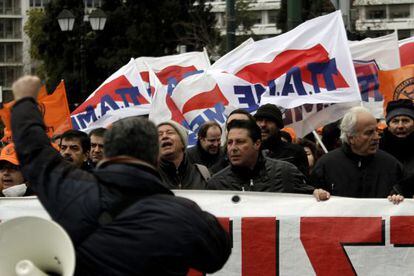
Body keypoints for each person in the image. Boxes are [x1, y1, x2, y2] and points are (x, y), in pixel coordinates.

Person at [10, 76, 231, 275]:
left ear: (107, 153)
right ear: (155, 157)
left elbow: (35, 152)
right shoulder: (185, 214)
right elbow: (215, 258)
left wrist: (24, 103)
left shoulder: (75, 190)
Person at [207, 119, 327, 199]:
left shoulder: (286, 173)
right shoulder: (217, 184)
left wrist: (316, 194)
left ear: (257, 144)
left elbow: (308, 201)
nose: (233, 148)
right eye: (229, 143)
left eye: (240, 142)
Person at [310, 106, 404, 203]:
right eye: (369, 133)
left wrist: (398, 198)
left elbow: (404, 200)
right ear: (351, 137)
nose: (376, 137)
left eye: (377, 131)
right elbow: (309, 202)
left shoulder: (392, 165)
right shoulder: (326, 165)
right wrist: (316, 193)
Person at [254, 104, 310, 178]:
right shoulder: (250, 151)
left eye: (269, 121)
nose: (263, 124)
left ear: (278, 126)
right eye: (260, 120)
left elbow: (303, 183)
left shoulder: (295, 152)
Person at [158, 120, 210, 189]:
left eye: (170, 133)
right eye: (159, 134)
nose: (164, 136)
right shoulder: (148, 174)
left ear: (183, 142)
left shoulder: (202, 174)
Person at [379, 99, 414, 175]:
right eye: (395, 121)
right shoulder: (377, 149)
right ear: (388, 126)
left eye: (405, 120)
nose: (400, 126)